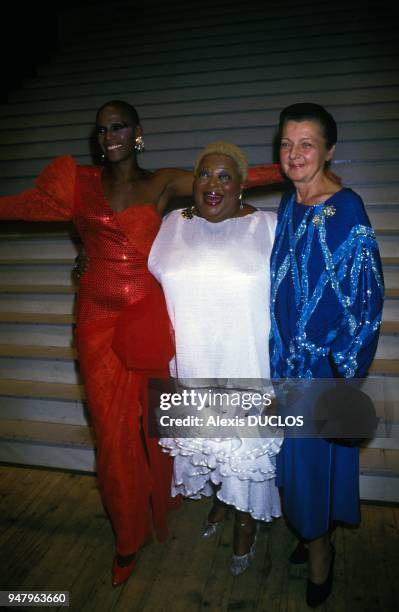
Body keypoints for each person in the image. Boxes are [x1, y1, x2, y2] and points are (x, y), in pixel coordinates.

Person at [0, 101, 284, 586]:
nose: (108, 135)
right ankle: (127, 536)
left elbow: (235, 176)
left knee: (160, 423)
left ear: (137, 133)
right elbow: (25, 204)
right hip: (97, 324)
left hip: (151, 322)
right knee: (113, 439)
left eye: (118, 127)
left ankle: (168, 500)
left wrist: (299, 166)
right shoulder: (80, 185)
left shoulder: (165, 182)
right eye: (101, 129)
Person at [148, 141, 283, 576]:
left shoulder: (269, 227)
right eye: (205, 174)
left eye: (225, 176)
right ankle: (221, 505)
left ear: (241, 186)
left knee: (243, 451)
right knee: (209, 446)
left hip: (246, 364)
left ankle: (245, 520)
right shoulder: (172, 224)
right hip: (194, 363)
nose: (213, 184)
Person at [269, 103, 384, 606]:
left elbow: (368, 298)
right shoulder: (290, 204)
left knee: (309, 467)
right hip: (286, 368)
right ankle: (316, 533)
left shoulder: (348, 211)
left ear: (329, 150)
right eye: (287, 144)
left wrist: (340, 371)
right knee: (300, 469)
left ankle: (320, 551)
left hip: (322, 372)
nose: (295, 154)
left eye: (307, 144)